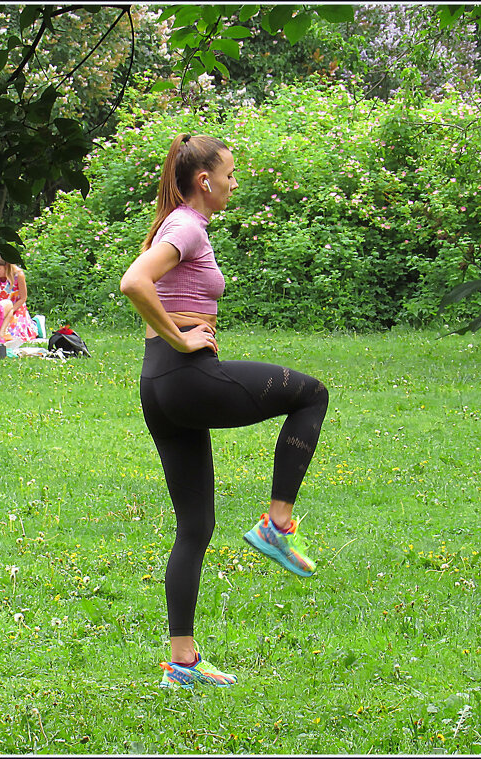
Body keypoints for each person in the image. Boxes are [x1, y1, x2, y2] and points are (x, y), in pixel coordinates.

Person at [119, 133, 329, 690]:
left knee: (196, 525)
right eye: (230, 174)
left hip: (158, 384)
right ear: (204, 180)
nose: (236, 183)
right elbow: (134, 282)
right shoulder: (186, 225)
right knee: (311, 394)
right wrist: (183, 338)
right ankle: (277, 524)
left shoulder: (178, 224)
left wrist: (170, 338)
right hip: (185, 376)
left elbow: (150, 290)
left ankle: (181, 665)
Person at [0, 252, 38, 342]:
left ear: (6, 266)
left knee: (14, 330)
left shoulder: (18, 275)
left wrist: (11, 310)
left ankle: (35, 323)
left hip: (16, 307)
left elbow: (23, 298)